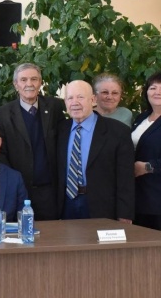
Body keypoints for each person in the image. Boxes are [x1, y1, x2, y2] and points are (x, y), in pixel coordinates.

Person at [0, 63, 66, 220]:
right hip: (18, 190)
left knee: (51, 233)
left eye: (34, 79)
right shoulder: (1, 115)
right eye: (23, 80)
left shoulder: (55, 107)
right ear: (16, 84)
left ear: (40, 82)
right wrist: (13, 184)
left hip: (49, 191)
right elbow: (1, 154)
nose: (29, 84)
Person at [57, 80, 134, 222]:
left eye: (80, 97)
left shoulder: (118, 131)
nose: (74, 102)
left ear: (93, 100)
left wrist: (125, 214)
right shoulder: (60, 130)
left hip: (102, 206)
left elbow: (125, 177)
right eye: (70, 98)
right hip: (66, 204)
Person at [131, 72, 161, 230]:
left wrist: (148, 167)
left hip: (157, 199)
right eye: (153, 88)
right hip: (138, 197)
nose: (157, 92)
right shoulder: (141, 118)